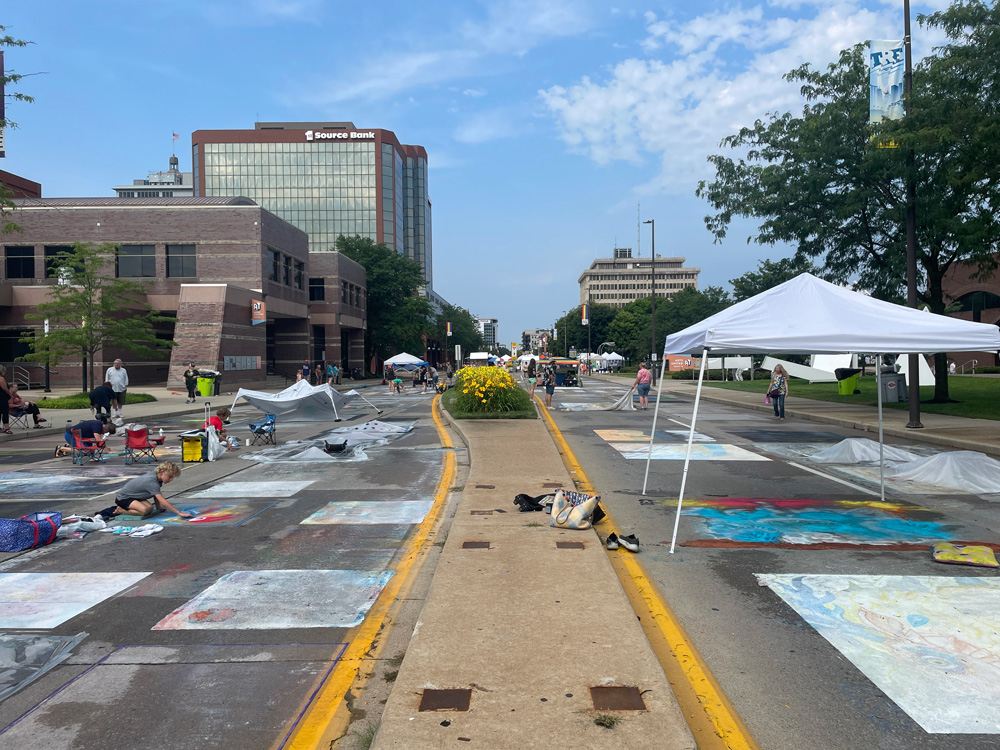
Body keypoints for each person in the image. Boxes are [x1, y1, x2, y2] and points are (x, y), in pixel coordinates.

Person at [94, 462, 192, 521]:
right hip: (124, 498)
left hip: (135, 497)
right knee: (144, 511)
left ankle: (126, 508)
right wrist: (179, 513)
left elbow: (156, 493)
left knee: (150, 508)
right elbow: (162, 500)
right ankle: (121, 510)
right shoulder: (151, 481)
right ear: (162, 472)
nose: (171, 480)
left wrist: (158, 507)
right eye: (170, 477)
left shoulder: (157, 478)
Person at [0, 365, 11, 435]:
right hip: (2, 398)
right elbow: (5, 388)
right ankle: (7, 428)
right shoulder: (1, 378)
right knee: (5, 412)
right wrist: (10, 394)